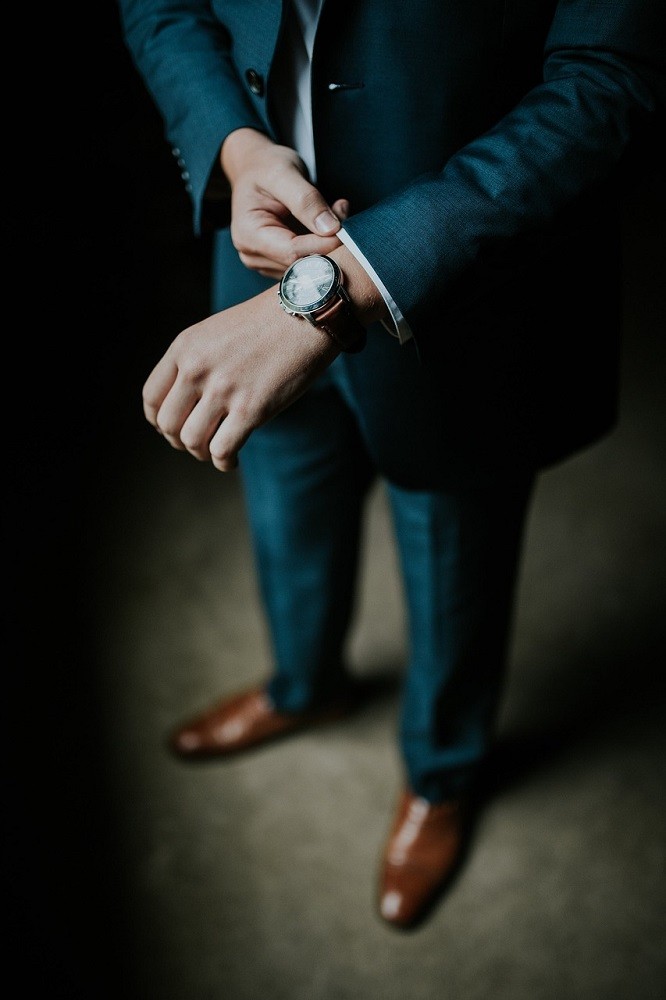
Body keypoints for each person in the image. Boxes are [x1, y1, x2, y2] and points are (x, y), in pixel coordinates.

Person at [117, 0, 665, 929]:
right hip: (248, 260)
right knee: (285, 504)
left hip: (465, 293)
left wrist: (335, 291)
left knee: (455, 549)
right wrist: (234, 147)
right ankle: (305, 687)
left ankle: (441, 776)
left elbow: (608, 76)